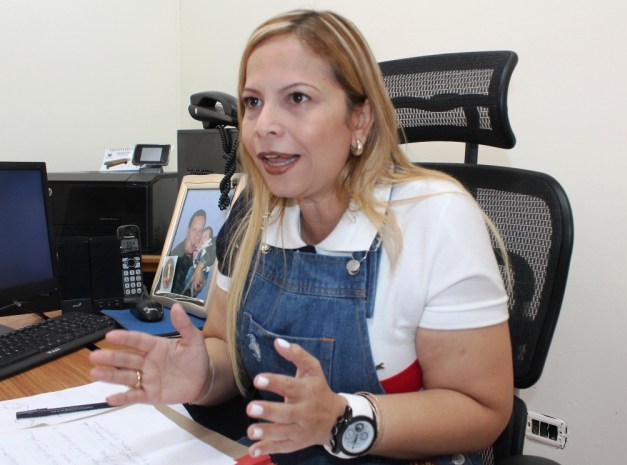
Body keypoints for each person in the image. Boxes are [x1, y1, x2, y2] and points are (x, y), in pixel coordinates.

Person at [90, 9, 513, 465]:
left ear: (360, 120)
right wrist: (199, 375)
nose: (263, 125)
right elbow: (224, 350)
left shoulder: (435, 218)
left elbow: (482, 411)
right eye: (253, 102)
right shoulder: (253, 211)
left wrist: (341, 418)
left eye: (297, 97)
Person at [169, 209, 206, 295]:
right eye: (194, 230)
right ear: (187, 231)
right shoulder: (174, 258)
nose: (196, 236)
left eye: (200, 231)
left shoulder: (199, 254)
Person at [182, 226, 215, 297]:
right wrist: (196, 250)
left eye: (205, 237)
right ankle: (186, 290)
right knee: (189, 275)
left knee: (195, 284)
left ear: (209, 239)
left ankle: (188, 292)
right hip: (194, 268)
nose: (202, 238)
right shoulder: (199, 247)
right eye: (202, 236)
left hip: (203, 272)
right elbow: (194, 259)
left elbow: (209, 258)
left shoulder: (208, 247)